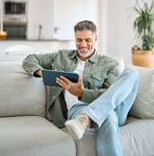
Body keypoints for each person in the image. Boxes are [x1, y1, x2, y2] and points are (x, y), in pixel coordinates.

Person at [23, 20, 140, 156]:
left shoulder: (109, 64)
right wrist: (42, 73)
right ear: (74, 39)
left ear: (95, 39)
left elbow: (110, 93)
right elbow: (30, 59)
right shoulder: (61, 56)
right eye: (79, 40)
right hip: (79, 109)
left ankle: (88, 116)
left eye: (88, 40)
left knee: (132, 73)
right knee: (108, 116)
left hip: (114, 107)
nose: (83, 45)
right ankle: (88, 116)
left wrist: (81, 93)